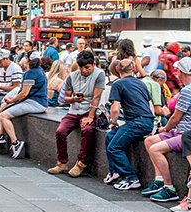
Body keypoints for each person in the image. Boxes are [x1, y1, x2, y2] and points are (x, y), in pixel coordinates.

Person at [139, 57, 191, 203]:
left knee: (155, 149)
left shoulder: (187, 91)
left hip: (185, 134)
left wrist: (164, 129)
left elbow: (175, 117)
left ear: (180, 72)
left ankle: (169, 188)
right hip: (181, 130)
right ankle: (159, 179)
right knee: (149, 141)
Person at [49, 50, 105, 178]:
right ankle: (62, 163)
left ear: (93, 65)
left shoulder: (99, 74)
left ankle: (81, 163)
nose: (84, 70)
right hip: (74, 110)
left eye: (87, 67)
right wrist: (74, 99)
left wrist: (90, 116)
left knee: (87, 130)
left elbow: (96, 97)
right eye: (81, 67)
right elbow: (65, 98)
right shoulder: (72, 76)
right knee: (60, 131)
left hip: (91, 110)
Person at [104, 60, 155, 191]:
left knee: (114, 147)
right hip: (147, 121)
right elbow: (150, 105)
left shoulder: (118, 84)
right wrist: (151, 125)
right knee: (109, 137)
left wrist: (113, 122)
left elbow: (115, 109)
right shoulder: (141, 83)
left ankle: (131, 178)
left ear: (117, 69)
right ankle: (114, 171)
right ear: (133, 69)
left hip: (136, 122)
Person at [0, 56, 50, 159]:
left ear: (28, 61)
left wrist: (12, 100)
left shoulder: (31, 73)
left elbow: (24, 93)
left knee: (3, 115)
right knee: (4, 107)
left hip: (34, 103)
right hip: (39, 102)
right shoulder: (40, 71)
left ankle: (15, 143)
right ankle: (0, 135)